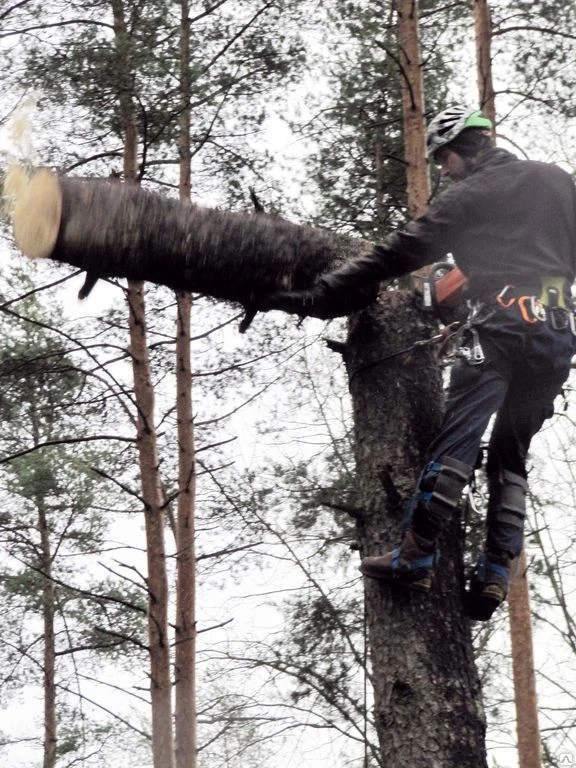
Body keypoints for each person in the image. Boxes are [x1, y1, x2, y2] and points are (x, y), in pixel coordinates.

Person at [259, 105, 576, 621]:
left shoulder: (470, 195)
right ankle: (495, 573)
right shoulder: (558, 183)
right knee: (511, 457)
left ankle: (414, 556)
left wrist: (319, 296)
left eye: (442, 160)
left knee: (458, 442)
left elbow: (395, 252)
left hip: (497, 330)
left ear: (456, 151)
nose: (442, 170)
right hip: (556, 335)